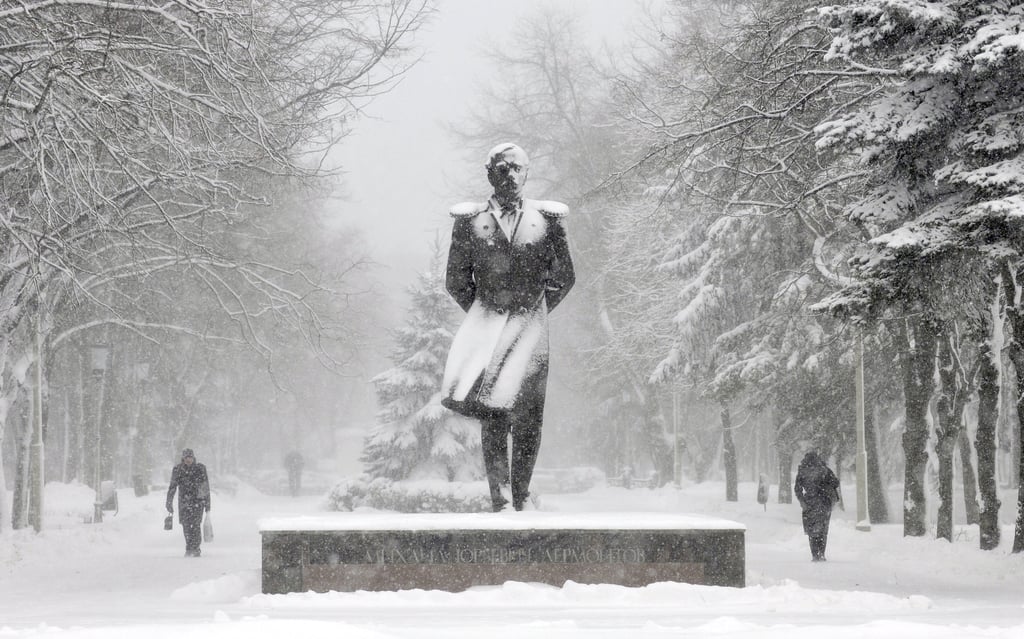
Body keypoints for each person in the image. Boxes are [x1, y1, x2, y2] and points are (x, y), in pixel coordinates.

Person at [441, 142, 575, 512]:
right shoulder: (470, 222)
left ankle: (522, 496)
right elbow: (455, 281)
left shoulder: (548, 220)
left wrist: (532, 310)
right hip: (490, 334)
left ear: (526, 174)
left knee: (530, 418)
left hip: (532, 333)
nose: (510, 175)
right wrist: (487, 312)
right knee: (495, 416)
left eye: (517, 169)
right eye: (503, 169)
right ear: (490, 174)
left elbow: (564, 277)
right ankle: (499, 499)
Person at [793, 450, 840, 561]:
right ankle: (821, 554)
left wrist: (802, 501)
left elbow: (797, 489)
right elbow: (836, 483)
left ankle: (814, 555)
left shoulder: (802, 471)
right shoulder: (824, 470)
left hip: (809, 503)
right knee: (823, 530)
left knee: (812, 530)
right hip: (824, 503)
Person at [166, 448, 211, 557]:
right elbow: (172, 487)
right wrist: (169, 502)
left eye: (190, 457)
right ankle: (189, 547)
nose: (188, 460)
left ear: (193, 458)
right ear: (183, 458)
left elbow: (205, 487)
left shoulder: (200, 468)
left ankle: (196, 548)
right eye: (186, 458)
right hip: (184, 502)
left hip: (197, 502)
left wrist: (207, 503)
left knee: (195, 525)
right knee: (186, 526)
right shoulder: (178, 469)